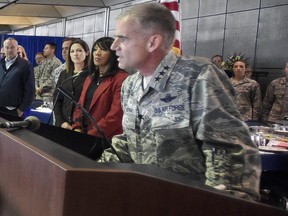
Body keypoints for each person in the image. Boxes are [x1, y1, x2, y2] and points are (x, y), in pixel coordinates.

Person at [101, 3, 261, 201]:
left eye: (122, 38)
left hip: (189, 203)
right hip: (147, 199)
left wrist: (221, 205)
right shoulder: (131, 85)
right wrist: (92, 170)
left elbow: (228, 151)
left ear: (153, 42)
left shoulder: (199, 76)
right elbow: (131, 142)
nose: (114, 45)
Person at [72, 37, 129, 141]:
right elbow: (79, 106)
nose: (97, 53)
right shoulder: (90, 77)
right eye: (95, 49)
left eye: (103, 49)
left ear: (113, 53)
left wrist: (91, 134)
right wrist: (77, 127)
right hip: (83, 134)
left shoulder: (121, 79)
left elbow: (115, 116)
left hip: (105, 139)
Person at [54, 39, 90, 129]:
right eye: (72, 51)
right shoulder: (64, 74)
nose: (75, 54)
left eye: (79, 50)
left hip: (82, 125)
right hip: (63, 123)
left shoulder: (91, 74)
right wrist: (61, 121)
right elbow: (57, 99)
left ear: (87, 53)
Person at [0, 37, 35, 117]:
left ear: (17, 48)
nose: (9, 50)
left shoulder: (26, 65)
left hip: (13, 110)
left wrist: (21, 109)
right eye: (7, 47)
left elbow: (30, 90)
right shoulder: (0, 63)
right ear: (3, 49)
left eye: (12, 47)